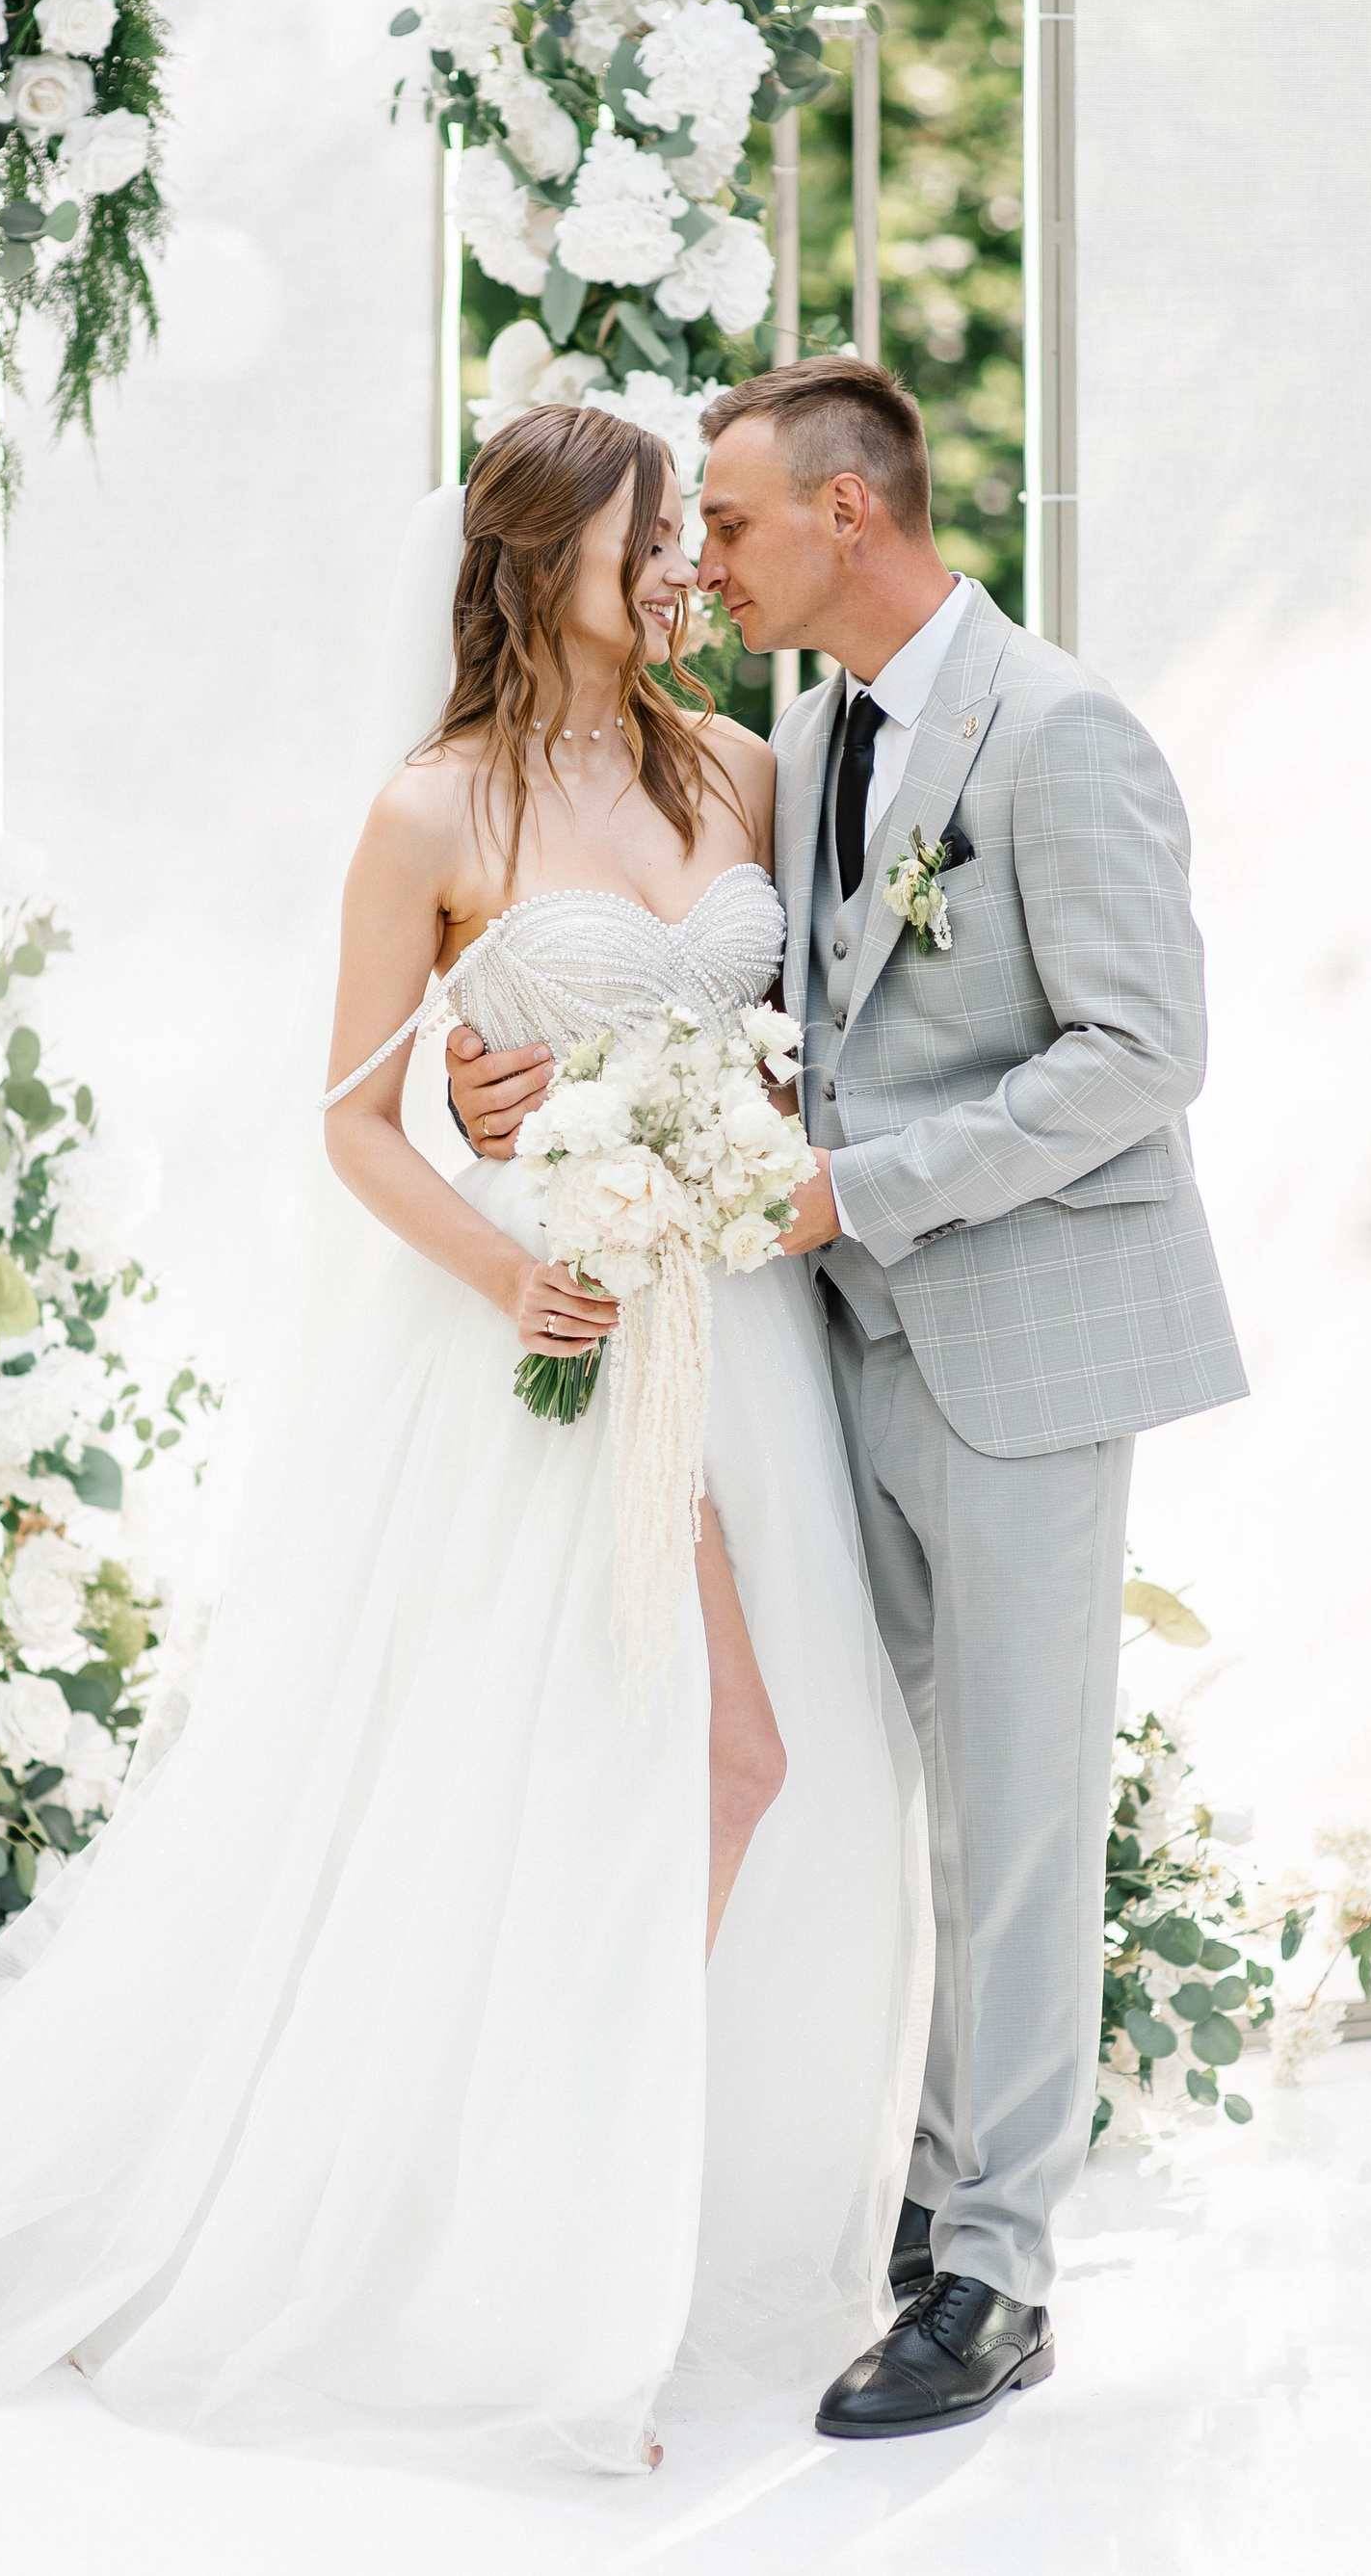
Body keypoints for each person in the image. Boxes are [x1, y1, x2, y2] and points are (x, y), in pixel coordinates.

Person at [0, 404, 929, 2478]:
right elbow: (351, 1120)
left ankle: (624, 2235)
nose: (685, 561)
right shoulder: (432, 808)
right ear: (548, 559)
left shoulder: (741, 766)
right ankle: (549, 2283)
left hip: (738, 1335)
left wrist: (729, 1152)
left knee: (743, 1770)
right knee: (617, 1785)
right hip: (556, 1345)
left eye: (693, 528)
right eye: (653, 532)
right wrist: (517, 1265)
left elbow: (795, 1053)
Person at [450, 359, 1248, 2439]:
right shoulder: (802, 745)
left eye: (726, 521)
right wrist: (501, 1073)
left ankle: (1000, 2268)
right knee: (875, 1788)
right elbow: (737, 1006)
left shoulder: (1063, 733)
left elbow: (1142, 1053)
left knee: (1021, 1812)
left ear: (848, 515)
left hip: (1025, 1344)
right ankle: (916, 2179)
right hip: (833, 1358)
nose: (703, 561)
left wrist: (857, 1189)